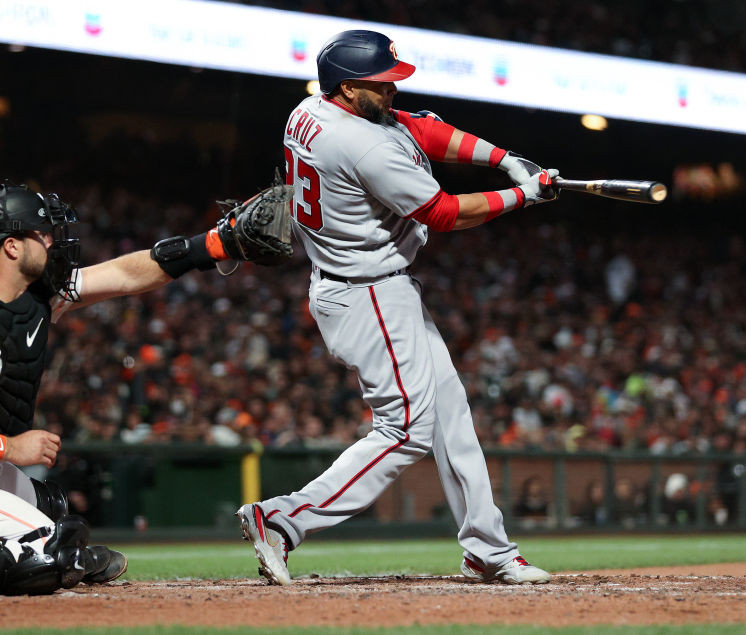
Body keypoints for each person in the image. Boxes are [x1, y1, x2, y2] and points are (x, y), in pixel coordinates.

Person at [237, 29, 557, 586]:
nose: (391, 92)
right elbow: (443, 213)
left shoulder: (311, 108)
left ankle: (488, 547)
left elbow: (423, 128)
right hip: (369, 291)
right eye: (381, 85)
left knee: (450, 413)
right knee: (406, 428)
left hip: (364, 285)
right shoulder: (364, 145)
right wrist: (522, 195)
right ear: (348, 88)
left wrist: (505, 161)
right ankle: (284, 519)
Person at [0, 182, 268, 594]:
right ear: (12, 247)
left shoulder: (36, 298)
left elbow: (125, 273)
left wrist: (213, 245)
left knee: (54, 512)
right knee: (40, 556)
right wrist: (10, 448)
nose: (52, 240)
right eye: (41, 233)